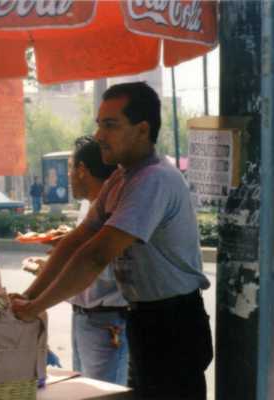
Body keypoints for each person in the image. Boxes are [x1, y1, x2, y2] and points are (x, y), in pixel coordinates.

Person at [12, 82, 213, 399]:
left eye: (110, 125)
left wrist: (35, 307)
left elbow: (95, 256)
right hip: (144, 318)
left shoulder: (154, 179)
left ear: (142, 129)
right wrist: (27, 297)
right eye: (98, 125)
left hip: (173, 324)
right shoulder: (121, 177)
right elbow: (78, 240)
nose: (99, 136)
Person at [65, 136, 128, 384]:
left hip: (106, 322)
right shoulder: (88, 207)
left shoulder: (116, 208)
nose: (69, 175)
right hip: (82, 315)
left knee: (103, 392)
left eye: (70, 168)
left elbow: (105, 266)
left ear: (82, 171)